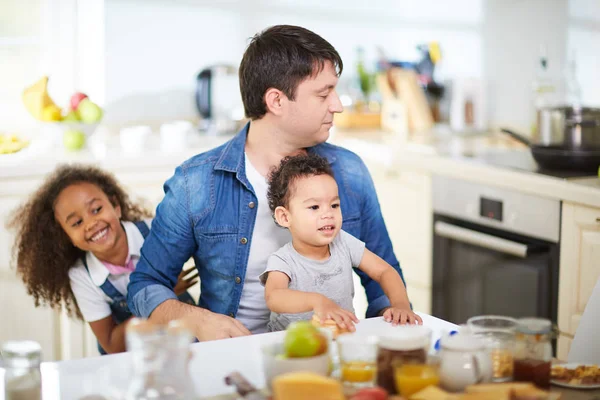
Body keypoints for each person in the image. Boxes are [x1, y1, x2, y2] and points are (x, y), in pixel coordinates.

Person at [127, 24, 411, 339]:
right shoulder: (195, 183)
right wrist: (196, 319)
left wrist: (393, 329)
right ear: (276, 101)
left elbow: (384, 277)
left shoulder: (349, 172)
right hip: (233, 361)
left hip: (331, 353)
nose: (338, 105)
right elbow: (145, 286)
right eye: (323, 93)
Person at [8, 164, 197, 354]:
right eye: (77, 223)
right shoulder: (82, 276)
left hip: (184, 342)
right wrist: (160, 298)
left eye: (96, 209)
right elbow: (113, 345)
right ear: (66, 237)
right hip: (131, 359)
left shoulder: (156, 231)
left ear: (115, 207)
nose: (91, 223)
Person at [260, 154, 422, 332]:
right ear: (284, 217)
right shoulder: (283, 261)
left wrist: (401, 305)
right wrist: (317, 301)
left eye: (334, 205)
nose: (328, 214)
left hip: (341, 337)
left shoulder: (343, 242)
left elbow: (384, 271)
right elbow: (274, 297)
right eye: (314, 207)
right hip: (292, 347)